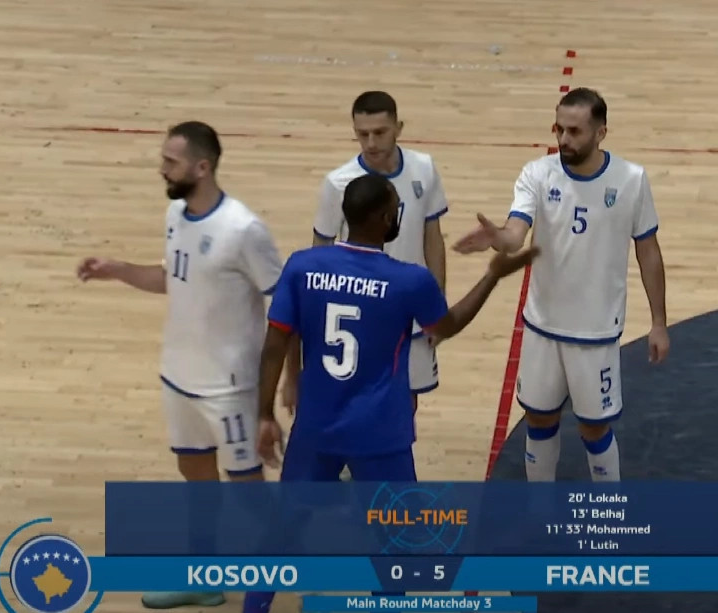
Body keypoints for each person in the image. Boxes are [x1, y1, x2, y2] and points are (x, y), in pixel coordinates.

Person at [242, 173, 534, 613]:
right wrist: (492, 275)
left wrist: (264, 414)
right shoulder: (407, 281)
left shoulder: (302, 266)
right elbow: (447, 326)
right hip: (380, 431)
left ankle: (254, 606)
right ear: (382, 218)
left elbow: (274, 346)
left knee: (284, 527)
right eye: (395, 207)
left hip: (316, 426)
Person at [76, 121, 283, 610]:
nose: (162, 168)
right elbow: (174, 276)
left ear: (202, 167)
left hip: (229, 386)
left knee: (247, 490)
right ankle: (204, 577)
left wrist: (283, 386)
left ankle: (292, 572)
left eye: (171, 161)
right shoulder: (175, 214)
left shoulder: (243, 229)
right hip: (179, 376)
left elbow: (285, 305)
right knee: (195, 474)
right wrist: (118, 270)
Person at [452, 87, 670, 483]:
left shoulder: (631, 180)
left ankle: (607, 509)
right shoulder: (537, 173)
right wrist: (497, 238)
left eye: (574, 131)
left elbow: (648, 251)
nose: (564, 139)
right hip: (542, 326)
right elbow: (515, 234)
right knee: (538, 418)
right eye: (559, 129)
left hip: (596, 332)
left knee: (594, 429)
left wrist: (658, 322)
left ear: (601, 133)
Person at [294, 90, 450, 412]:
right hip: (359, 312)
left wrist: (436, 308)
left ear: (399, 128)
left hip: (409, 308)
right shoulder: (338, 183)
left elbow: (433, 239)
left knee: (406, 403)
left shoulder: (424, 168)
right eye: (362, 134)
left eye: (379, 132)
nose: (371, 143)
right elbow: (321, 249)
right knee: (356, 400)